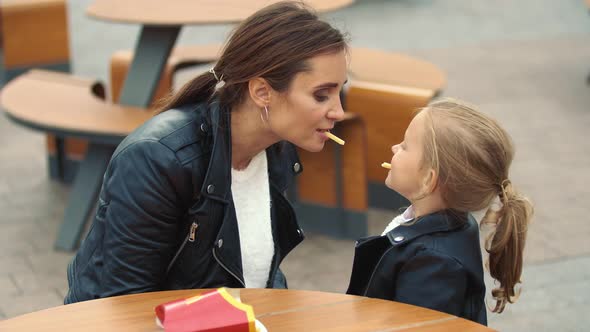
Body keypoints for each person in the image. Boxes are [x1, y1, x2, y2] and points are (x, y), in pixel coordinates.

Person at [65, 1, 348, 304]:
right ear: (262, 92)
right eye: (321, 95)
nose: (339, 112)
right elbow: (128, 306)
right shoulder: (157, 160)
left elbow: (257, 273)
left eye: (339, 91)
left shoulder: (277, 148)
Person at [346, 98, 533, 325]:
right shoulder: (451, 223)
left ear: (428, 179)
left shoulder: (434, 263)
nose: (394, 148)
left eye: (404, 146)